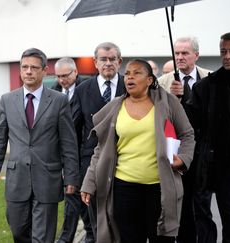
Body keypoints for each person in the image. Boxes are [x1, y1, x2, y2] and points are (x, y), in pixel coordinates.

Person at [80, 59, 195, 242]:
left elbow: (187, 134)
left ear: (149, 80)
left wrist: (183, 158)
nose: (130, 77)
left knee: (161, 238)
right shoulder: (115, 107)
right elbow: (101, 149)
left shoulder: (167, 103)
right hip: (124, 188)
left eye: (137, 73)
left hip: (159, 188)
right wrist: (89, 182)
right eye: (127, 73)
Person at [0, 48, 79, 243]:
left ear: (44, 71)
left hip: (47, 180)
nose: (28, 71)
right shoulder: (7, 100)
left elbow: (68, 143)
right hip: (17, 180)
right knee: (18, 232)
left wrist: (71, 178)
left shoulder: (59, 101)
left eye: (34, 68)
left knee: (43, 238)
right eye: (24, 67)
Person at [187, 32, 230, 243]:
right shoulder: (207, 86)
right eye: (223, 52)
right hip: (224, 167)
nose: (227, 56)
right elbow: (189, 123)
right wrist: (180, 98)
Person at [158, 37, 215, 243]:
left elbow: (213, 114)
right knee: (180, 205)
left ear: (196, 56)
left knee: (202, 205)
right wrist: (171, 99)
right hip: (177, 153)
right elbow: (158, 119)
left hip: (203, 153)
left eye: (185, 53)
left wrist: (188, 96)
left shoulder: (210, 78)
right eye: (177, 53)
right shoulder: (163, 82)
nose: (180, 57)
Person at [72, 42, 126, 242]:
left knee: (121, 220)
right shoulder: (82, 90)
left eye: (112, 59)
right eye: (103, 59)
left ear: (119, 62)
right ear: (95, 63)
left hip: (124, 161)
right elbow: (75, 132)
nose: (108, 63)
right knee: (94, 222)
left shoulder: (130, 86)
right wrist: (75, 168)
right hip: (91, 164)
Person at [51, 57, 91, 243]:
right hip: (60, 154)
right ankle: (82, 235)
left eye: (65, 75)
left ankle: (78, 236)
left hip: (81, 152)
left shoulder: (86, 89)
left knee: (77, 195)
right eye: (58, 76)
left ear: (75, 72)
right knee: (73, 195)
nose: (62, 80)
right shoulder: (52, 91)